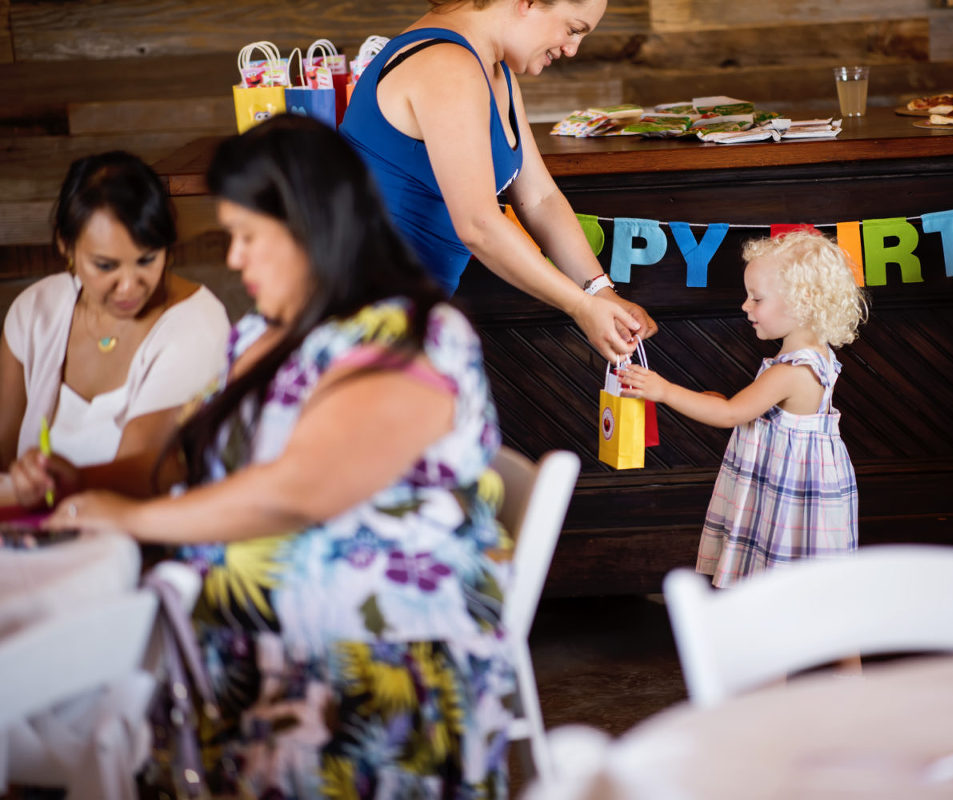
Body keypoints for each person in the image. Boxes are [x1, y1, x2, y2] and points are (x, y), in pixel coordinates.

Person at [45, 115, 513, 798]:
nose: (233, 260)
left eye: (246, 238)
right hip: (251, 650)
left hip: (370, 672)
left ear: (309, 225)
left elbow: (298, 490)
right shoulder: (259, 337)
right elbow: (182, 460)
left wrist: (129, 520)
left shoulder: (411, 338)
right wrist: (71, 483)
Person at [339, 0, 657, 364]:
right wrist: (579, 306)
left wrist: (601, 293)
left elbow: (540, 198)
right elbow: (478, 224)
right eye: (573, 29)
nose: (572, 49)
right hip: (360, 320)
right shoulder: (446, 65)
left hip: (409, 316)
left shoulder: (494, 71)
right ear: (528, 3)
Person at [619, 230, 867, 587]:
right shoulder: (814, 356)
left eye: (757, 298)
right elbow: (750, 412)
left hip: (791, 493)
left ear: (803, 301)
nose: (745, 306)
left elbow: (733, 415)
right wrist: (718, 402)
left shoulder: (793, 370)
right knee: (813, 586)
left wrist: (665, 390)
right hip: (790, 485)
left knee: (799, 586)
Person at [0, 151, 229, 508]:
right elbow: (3, 456)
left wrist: (63, 485)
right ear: (66, 246)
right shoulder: (37, 312)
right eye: (106, 266)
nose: (129, 287)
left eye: (147, 260)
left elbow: (143, 475)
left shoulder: (197, 326)